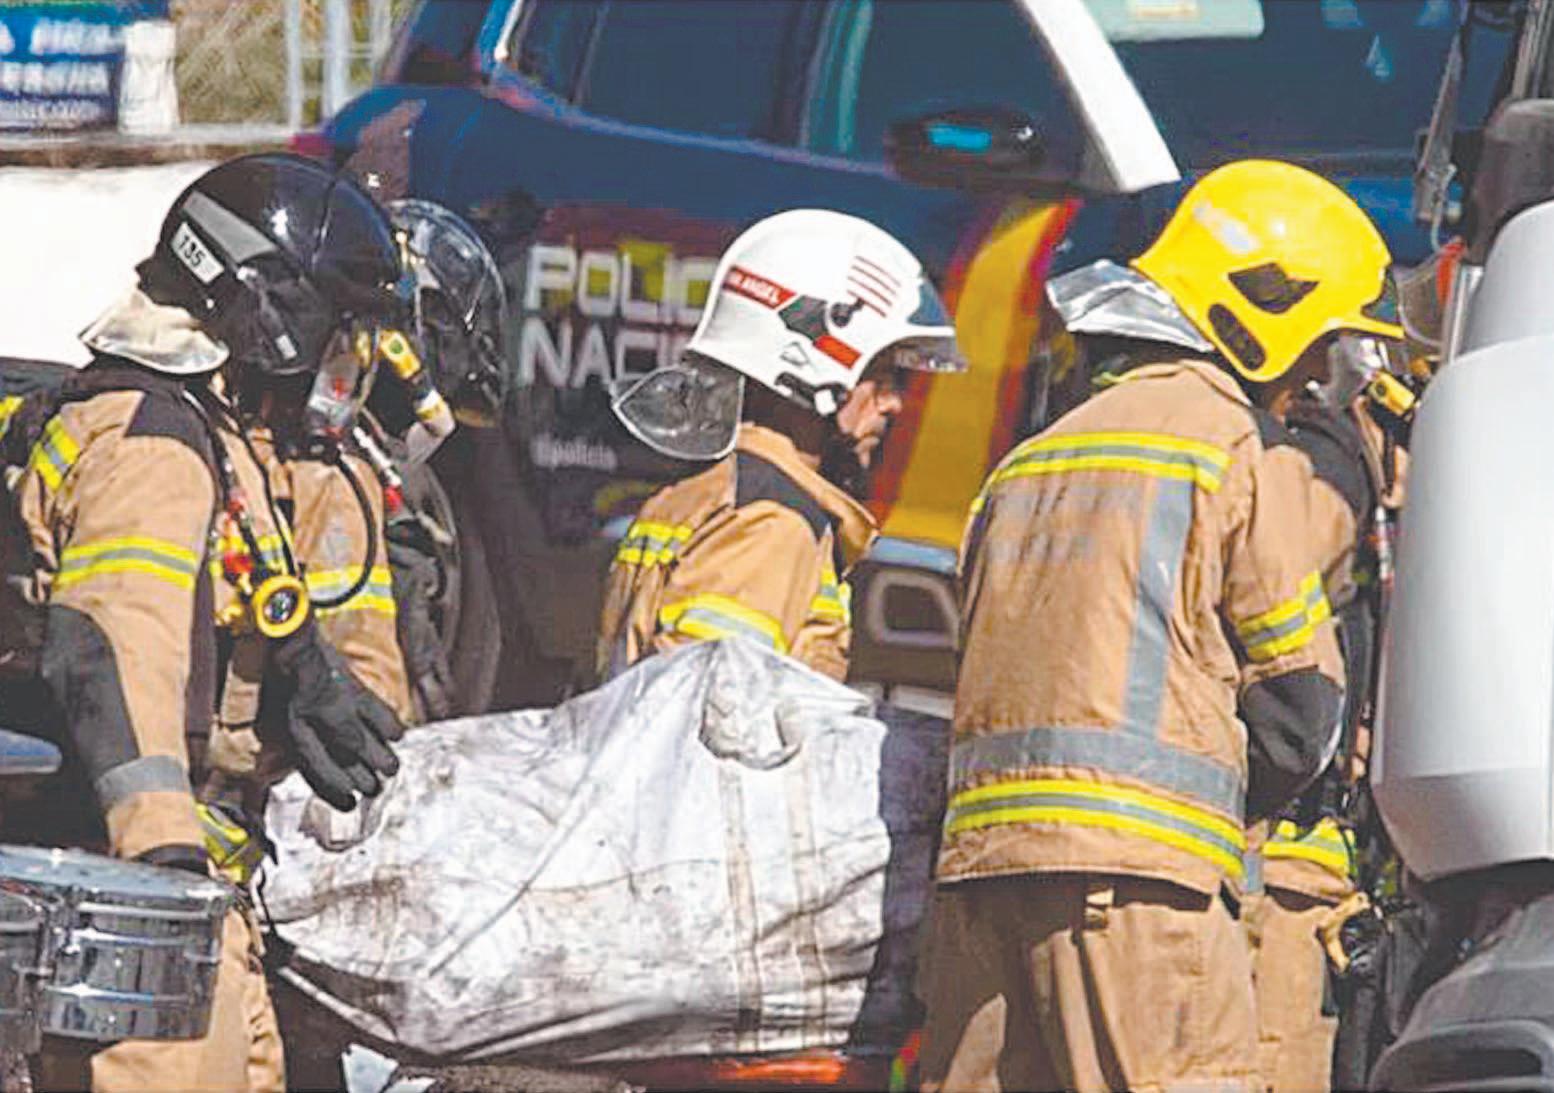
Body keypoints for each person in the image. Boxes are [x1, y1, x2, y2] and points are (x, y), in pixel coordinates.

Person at [918, 159, 1400, 1092]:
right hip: (1142, 894)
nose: (1314, 381)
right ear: (1266, 313)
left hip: (981, 895)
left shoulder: (1027, 460)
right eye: (1318, 347)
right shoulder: (1226, 445)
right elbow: (1301, 705)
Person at [10, 152, 410, 1092]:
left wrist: (299, 668)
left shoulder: (205, 431)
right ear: (270, 311)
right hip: (135, 916)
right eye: (336, 330)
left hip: (195, 907)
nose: (342, 363)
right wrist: (163, 862)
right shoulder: (150, 443)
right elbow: (109, 649)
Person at [597, 208, 965, 681]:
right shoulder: (771, 523)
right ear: (810, 365)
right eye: (880, 377)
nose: (893, 403)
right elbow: (708, 700)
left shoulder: (702, 492)